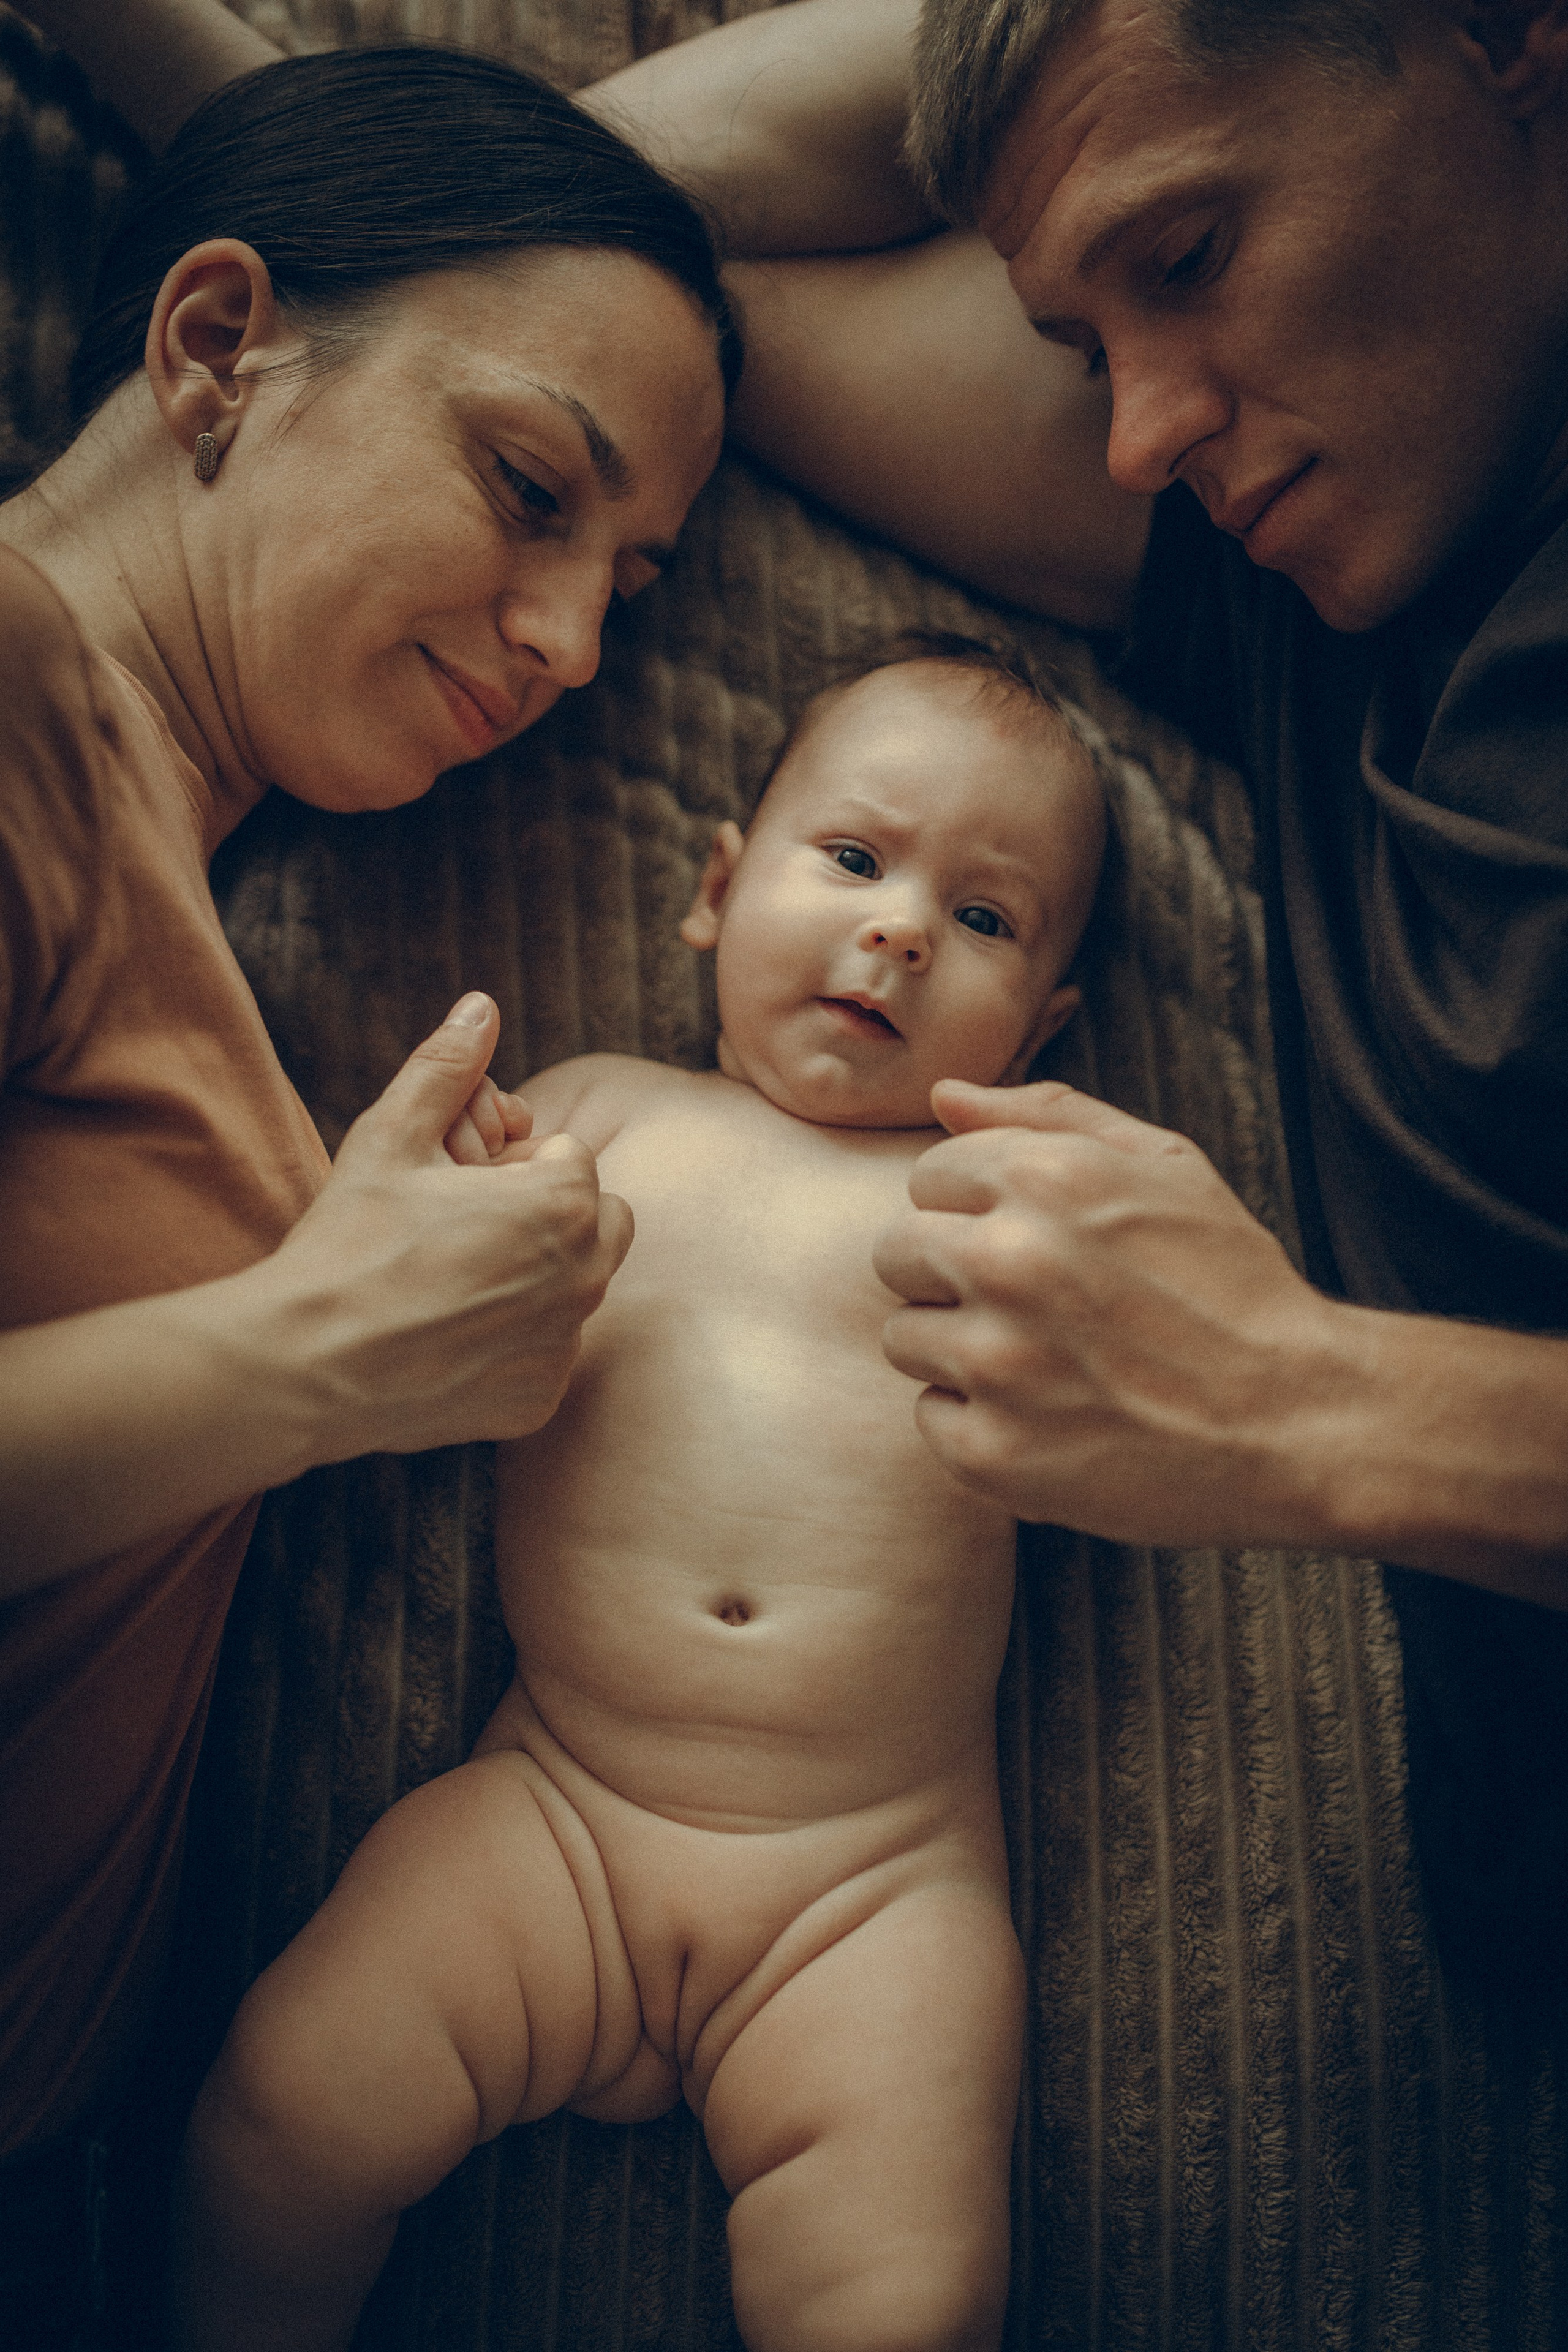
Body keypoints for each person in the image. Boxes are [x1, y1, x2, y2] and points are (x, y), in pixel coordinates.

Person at [0, 26, 737, 2294]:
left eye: (627, 578)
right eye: (534, 487)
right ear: (221, 345)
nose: (573, 642)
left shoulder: (171, 893)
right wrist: (317, 1354)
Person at [168, 645, 1107, 2352]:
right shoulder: (596, 1120)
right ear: (715, 891)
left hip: (871, 1881)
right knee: (284, 2111)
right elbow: (404, 1297)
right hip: (560, 1808)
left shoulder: (1008, 1204)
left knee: (906, 2298)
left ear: (1043, 1031)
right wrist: (448, 1208)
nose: (899, 929)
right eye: (853, 860)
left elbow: (1137, 1408)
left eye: (987, 919)